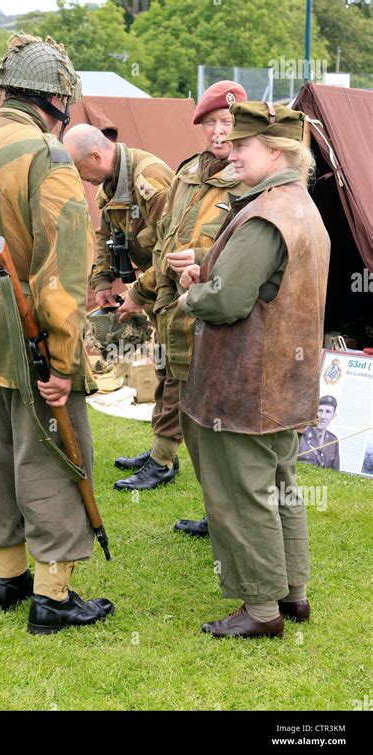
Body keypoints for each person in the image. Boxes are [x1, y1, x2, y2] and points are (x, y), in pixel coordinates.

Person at [0, 34, 114, 635]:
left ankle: (8, 577)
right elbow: (61, 274)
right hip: (31, 325)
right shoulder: (49, 155)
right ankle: (52, 597)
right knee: (52, 455)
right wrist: (62, 363)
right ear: (57, 98)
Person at [179, 101, 330, 638]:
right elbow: (267, 289)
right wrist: (210, 273)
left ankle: (261, 612)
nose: (231, 152)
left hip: (243, 384)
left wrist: (191, 288)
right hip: (283, 381)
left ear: (278, 152)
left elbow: (225, 303)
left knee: (242, 495)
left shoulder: (264, 213)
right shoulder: (301, 206)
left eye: (242, 146)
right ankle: (294, 596)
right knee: (282, 487)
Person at [152, 81, 248, 535]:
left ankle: (228, 515)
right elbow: (164, 238)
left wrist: (205, 265)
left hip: (219, 317)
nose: (217, 132)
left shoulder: (250, 179)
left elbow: (248, 258)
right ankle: (217, 512)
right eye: (210, 123)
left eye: (227, 122)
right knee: (193, 421)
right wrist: (153, 295)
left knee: (218, 423)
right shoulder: (188, 172)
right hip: (178, 311)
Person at [63, 124, 182, 490]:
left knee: (176, 371)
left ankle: (162, 461)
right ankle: (163, 451)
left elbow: (171, 247)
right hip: (154, 285)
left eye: (81, 170)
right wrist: (101, 284)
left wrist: (138, 294)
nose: (82, 179)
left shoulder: (150, 178)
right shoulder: (111, 184)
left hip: (176, 285)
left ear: (97, 157)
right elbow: (104, 237)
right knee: (164, 369)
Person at [299, 395, 340, 470]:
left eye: (328, 412)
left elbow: (335, 473)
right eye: (320, 411)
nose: (323, 416)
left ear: (333, 416)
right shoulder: (300, 435)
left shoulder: (333, 441)